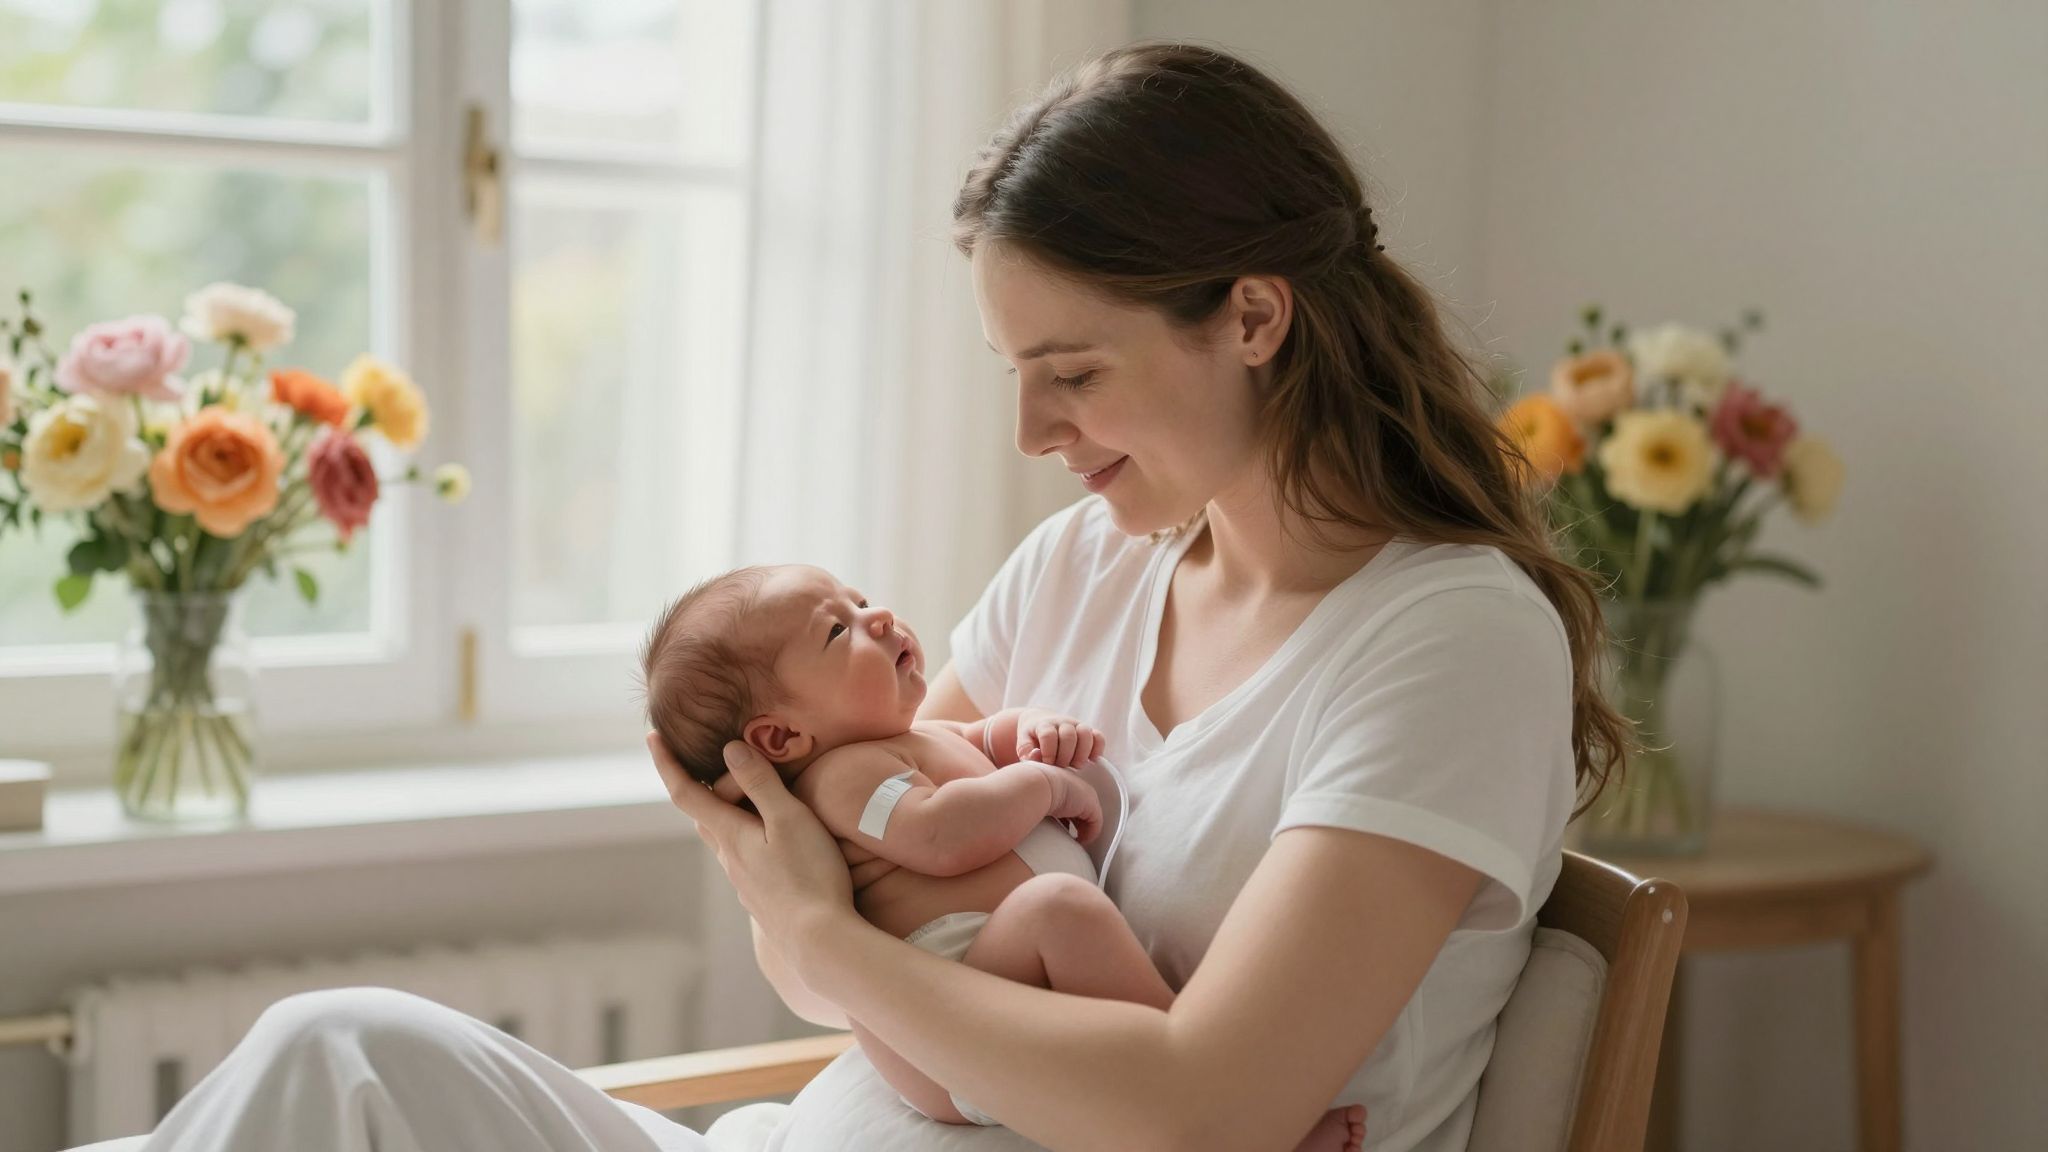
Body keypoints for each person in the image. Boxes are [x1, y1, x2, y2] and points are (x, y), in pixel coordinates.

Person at [126, 41, 1626, 1152]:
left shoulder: (1447, 641)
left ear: (1252, 315)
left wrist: (836, 940)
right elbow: (801, 947)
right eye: (1016, 377)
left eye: (1075, 374)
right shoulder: (1088, 568)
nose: (1035, 437)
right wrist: (823, 934)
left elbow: (1200, 1108)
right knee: (337, 1052)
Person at [638, 563, 1366, 1150]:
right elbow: (938, 834)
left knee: (1065, 924)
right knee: (1059, 909)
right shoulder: (843, 781)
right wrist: (1041, 782)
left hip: (991, 989)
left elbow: (983, 740)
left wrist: (1032, 731)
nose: (878, 617)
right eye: (837, 631)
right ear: (780, 739)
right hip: (943, 1025)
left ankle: (1212, 1107)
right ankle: (1234, 1124)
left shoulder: (914, 738)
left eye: (859, 600)